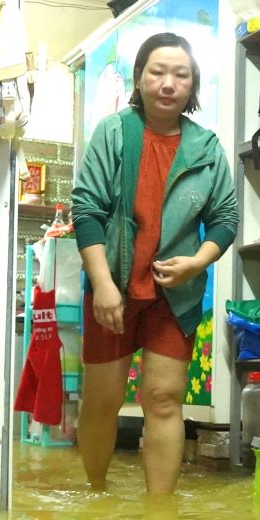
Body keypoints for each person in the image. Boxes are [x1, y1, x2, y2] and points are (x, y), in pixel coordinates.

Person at [72, 32, 238, 494]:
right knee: (103, 400)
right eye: (157, 72)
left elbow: (225, 218)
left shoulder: (206, 147)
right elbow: (86, 210)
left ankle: (160, 518)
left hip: (174, 295)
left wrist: (196, 264)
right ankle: (97, 493)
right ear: (140, 78)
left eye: (180, 74)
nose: (168, 83)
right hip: (113, 287)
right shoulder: (113, 132)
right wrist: (103, 284)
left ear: (193, 84)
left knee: (164, 400)